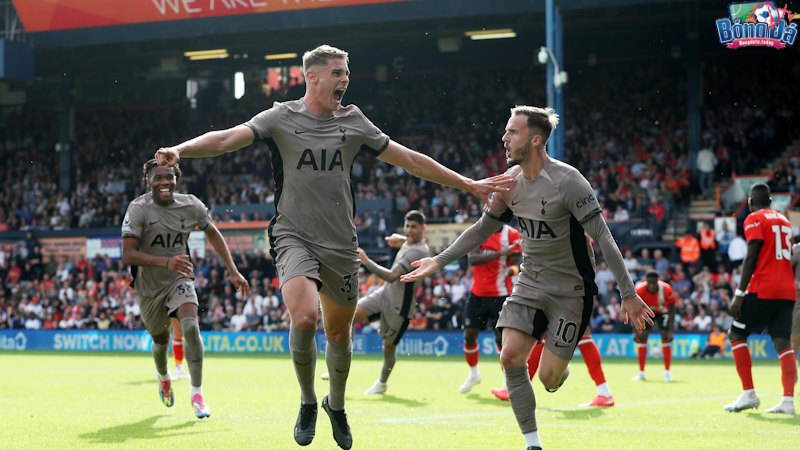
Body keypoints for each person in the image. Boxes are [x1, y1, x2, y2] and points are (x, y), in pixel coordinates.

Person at [154, 44, 510, 449]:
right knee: (305, 318)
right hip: (292, 235)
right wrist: (181, 149)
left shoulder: (354, 120)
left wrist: (468, 183)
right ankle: (307, 401)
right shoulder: (280, 116)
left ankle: (335, 405)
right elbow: (227, 138)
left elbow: (410, 159)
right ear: (313, 76)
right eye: (337, 73)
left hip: (341, 243)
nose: (345, 79)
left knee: (339, 334)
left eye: (346, 72)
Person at [402, 106, 654, 450]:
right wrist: (439, 260)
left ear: (536, 139)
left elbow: (604, 237)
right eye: (506, 131)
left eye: (513, 132)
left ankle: (559, 365)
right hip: (530, 283)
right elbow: (481, 230)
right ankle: (532, 443)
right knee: (509, 358)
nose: (505, 138)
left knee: (550, 379)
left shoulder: (569, 181)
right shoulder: (509, 183)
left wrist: (628, 293)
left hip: (572, 290)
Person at [122, 159, 250, 419]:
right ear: (148, 181)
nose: (164, 182)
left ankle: (197, 393)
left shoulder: (191, 205)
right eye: (158, 178)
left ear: (176, 178)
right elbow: (128, 254)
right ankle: (164, 375)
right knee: (161, 341)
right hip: (149, 285)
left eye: (169, 177)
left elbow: (213, 232)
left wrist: (232, 270)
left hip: (180, 277)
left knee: (190, 326)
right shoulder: (138, 209)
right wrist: (166, 261)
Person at [725, 183, 796, 414]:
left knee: (736, 334)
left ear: (750, 202)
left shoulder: (755, 218)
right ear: (771, 201)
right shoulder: (785, 221)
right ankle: (788, 401)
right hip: (787, 291)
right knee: (782, 343)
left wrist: (739, 293)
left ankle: (748, 393)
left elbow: (751, 255)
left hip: (764, 287)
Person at [350, 210, 431, 395]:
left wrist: (366, 261)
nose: (409, 230)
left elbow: (391, 275)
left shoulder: (418, 252)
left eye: (414, 227)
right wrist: (400, 239)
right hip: (383, 294)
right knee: (351, 315)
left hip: (400, 306)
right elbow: (408, 242)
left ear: (423, 229)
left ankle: (382, 382)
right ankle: (342, 362)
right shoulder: (410, 242)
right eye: (407, 226)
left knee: (389, 347)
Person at [458, 224, 521, 394]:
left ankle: (507, 384)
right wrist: (500, 253)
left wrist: (512, 270)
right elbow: (473, 259)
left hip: (500, 295)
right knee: (469, 335)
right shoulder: (480, 230)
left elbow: (517, 261)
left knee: (501, 339)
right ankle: (473, 374)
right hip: (477, 294)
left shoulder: (512, 234)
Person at [631, 271, 677, 382]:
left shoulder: (666, 289)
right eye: (649, 283)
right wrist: (635, 330)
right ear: (646, 282)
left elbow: (672, 309)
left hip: (663, 311)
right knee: (642, 337)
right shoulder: (639, 290)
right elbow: (634, 311)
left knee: (666, 337)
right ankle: (641, 373)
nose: (651, 285)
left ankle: (667, 372)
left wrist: (671, 330)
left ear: (658, 281)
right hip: (647, 312)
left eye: (654, 282)